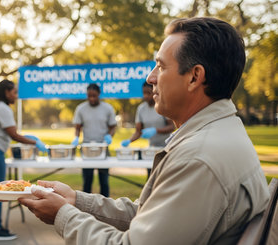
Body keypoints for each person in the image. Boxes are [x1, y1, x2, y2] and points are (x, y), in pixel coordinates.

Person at [19, 17, 270, 244]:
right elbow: (149, 214)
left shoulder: (199, 159)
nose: (151, 78)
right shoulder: (220, 133)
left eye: (160, 66)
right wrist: (77, 201)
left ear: (194, 77)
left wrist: (63, 215)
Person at [0, 79, 47, 241]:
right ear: (6, 92)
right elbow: (14, 135)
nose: (16, 95)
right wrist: (36, 143)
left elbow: (11, 133)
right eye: (14, 92)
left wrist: (29, 139)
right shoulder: (3, 109)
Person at [71, 83, 116, 197]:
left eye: (94, 96)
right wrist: (76, 137)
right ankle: (86, 209)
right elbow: (77, 127)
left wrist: (110, 136)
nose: (91, 98)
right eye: (89, 96)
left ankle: (106, 208)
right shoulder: (81, 108)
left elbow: (113, 126)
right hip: (87, 150)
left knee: (104, 182)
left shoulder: (107, 108)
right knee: (87, 181)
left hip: (103, 148)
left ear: (99, 95)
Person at [121, 81, 175, 177]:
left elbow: (172, 127)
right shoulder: (141, 109)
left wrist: (156, 130)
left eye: (148, 93)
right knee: (151, 177)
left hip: (166, 148)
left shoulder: (162, 105)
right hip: (151, 151)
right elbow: (138, 131)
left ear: (154, 92)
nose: (145, 96)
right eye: (144, 93)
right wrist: (129, 141)